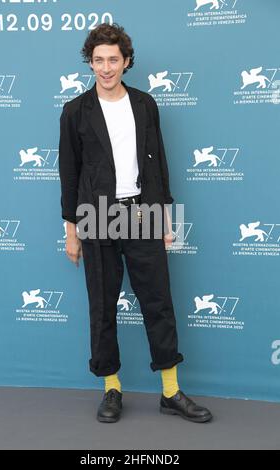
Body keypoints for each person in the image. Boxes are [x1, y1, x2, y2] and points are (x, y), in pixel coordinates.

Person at [59, 23, 212, 424]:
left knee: (158, 301)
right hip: (96, 215)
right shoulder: (75, 111)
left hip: (142, 212)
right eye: (98, 60)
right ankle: (111, 389)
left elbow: (158, 164)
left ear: (126, 61)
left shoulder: (145, 105)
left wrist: (163, 218)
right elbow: (69, 176)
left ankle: (170, 391)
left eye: (113, 59)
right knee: (103, 305)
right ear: (89, 63)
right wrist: (71, 232)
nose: (106, 68)